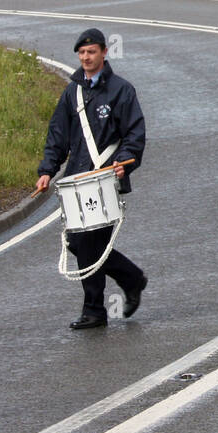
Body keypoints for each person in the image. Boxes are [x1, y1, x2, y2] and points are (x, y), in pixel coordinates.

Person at [37, 28, 147, 329]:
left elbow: (134, 134)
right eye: (82, 53)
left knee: (89, 242)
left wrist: (126, 162)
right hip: (77, 179)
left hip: (107, 177)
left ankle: (95, 310)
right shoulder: (71, 92)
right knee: (79, 242)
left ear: (103, 53)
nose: (86, 58)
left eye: (91, 52)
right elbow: (58, 135)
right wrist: (47, 170)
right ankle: (132, 278)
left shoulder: (122, 90)